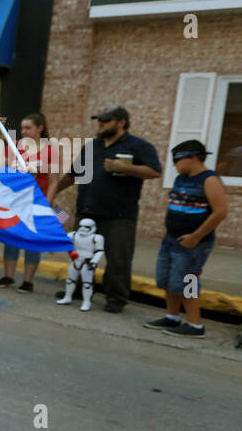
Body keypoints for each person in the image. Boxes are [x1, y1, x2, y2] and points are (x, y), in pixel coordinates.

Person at [48, 106, 162, 313]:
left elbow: (154, 171)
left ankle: (116, 297)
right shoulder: (92, 146)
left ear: (121, 122)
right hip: (87, 211)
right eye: (99, 120)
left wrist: (125, 168)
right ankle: (77, 290)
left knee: (118, 259)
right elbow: (74, 174)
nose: (100, 124)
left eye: (106, 121)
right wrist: (52, 193)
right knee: (80, 255)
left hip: (119, 215)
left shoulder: (138, 146)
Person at [142, 140, 229, 337]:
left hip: (194, 243)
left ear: (193, 158)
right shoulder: (181, 178)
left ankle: (195, 325)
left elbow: (221, 212)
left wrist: (196, 236)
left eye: (177, 160)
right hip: (172, 238)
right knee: (168, 279)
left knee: (189, 280)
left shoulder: (209, 180)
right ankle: (172, 317)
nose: (175, 164)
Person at [0, 113, 56, 292]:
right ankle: (8, 276)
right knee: (12, 238)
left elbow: (54, 182)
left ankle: (28, 281)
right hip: (15, 200)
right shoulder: (15, 147)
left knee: (32, 240)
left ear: (40, 128)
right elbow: (1, 167)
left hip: (37, 201)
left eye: (28, 128)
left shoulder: (50, 151)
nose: (24, 132)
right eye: (22, 128)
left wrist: (48, 203)